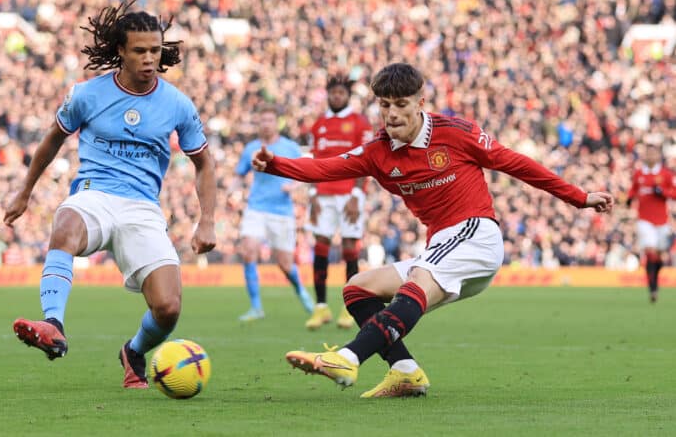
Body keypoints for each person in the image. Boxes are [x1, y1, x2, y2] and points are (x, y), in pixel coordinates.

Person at [252, 63, 613, 398]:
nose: (391, 114)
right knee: (357, 288)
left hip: (475, 233)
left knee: (416, 283)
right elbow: (326, 168)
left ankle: (347, 358)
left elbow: (516, 163)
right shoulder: (378, 150)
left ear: (420, 102)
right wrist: (276, 165)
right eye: (384, 105)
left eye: (400, 104)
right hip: (442, 246)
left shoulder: (456, 133)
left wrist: (579, 197)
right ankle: (405, 371)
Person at [4, 0, 217, 389]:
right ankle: (53, 325)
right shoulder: (87, 95)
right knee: (65, 224)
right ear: (121, 50)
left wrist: (207, 220)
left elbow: (204, 162)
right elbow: (52, 139)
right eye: (140, 51)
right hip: (95, 193)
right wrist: (25, 191)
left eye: (155, 50)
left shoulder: (178, 105)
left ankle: (133, 350)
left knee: (168, 308)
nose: (150, 59)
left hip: (142, 207)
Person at [304, 74, 373, 330]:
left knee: (349, 246)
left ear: (348, 96)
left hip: (348, 194)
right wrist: (312, 195)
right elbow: (313, 161)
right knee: (321, 243)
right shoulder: (319, 124)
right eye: (333, 92)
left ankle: (350, 306)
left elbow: (366, 160)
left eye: (341, 93)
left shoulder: (359, 122)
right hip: (322, 193)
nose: (337, 96)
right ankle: (321, 307)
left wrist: (357, 195)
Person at [235, 103, 314, 321]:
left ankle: (301, 291)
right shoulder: (251, 148)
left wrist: (293, 186)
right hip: (256, 207)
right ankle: (256, 307)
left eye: (270, 120)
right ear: (258, 123)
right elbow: (239, 174)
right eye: (263, 120)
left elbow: (304, 173)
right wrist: (234, 190)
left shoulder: (289, 147)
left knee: (285, 264)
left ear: (276, 123)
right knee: (248, 250)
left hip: (281, 211)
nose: (266, 124)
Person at [626, 141, 675, 303]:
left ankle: (655, 279)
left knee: (660, 254)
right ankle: (653, 287)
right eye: (647, 153)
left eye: (653, 153)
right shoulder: (639, 173)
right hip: (644, 220)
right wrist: (629, 198)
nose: (650, 156)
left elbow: (674, 193)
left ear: (658, 155)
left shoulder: (666, 174)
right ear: (644, 156)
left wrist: (663, 192)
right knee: (650, 250)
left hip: (662, 220)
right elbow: (633, 188)